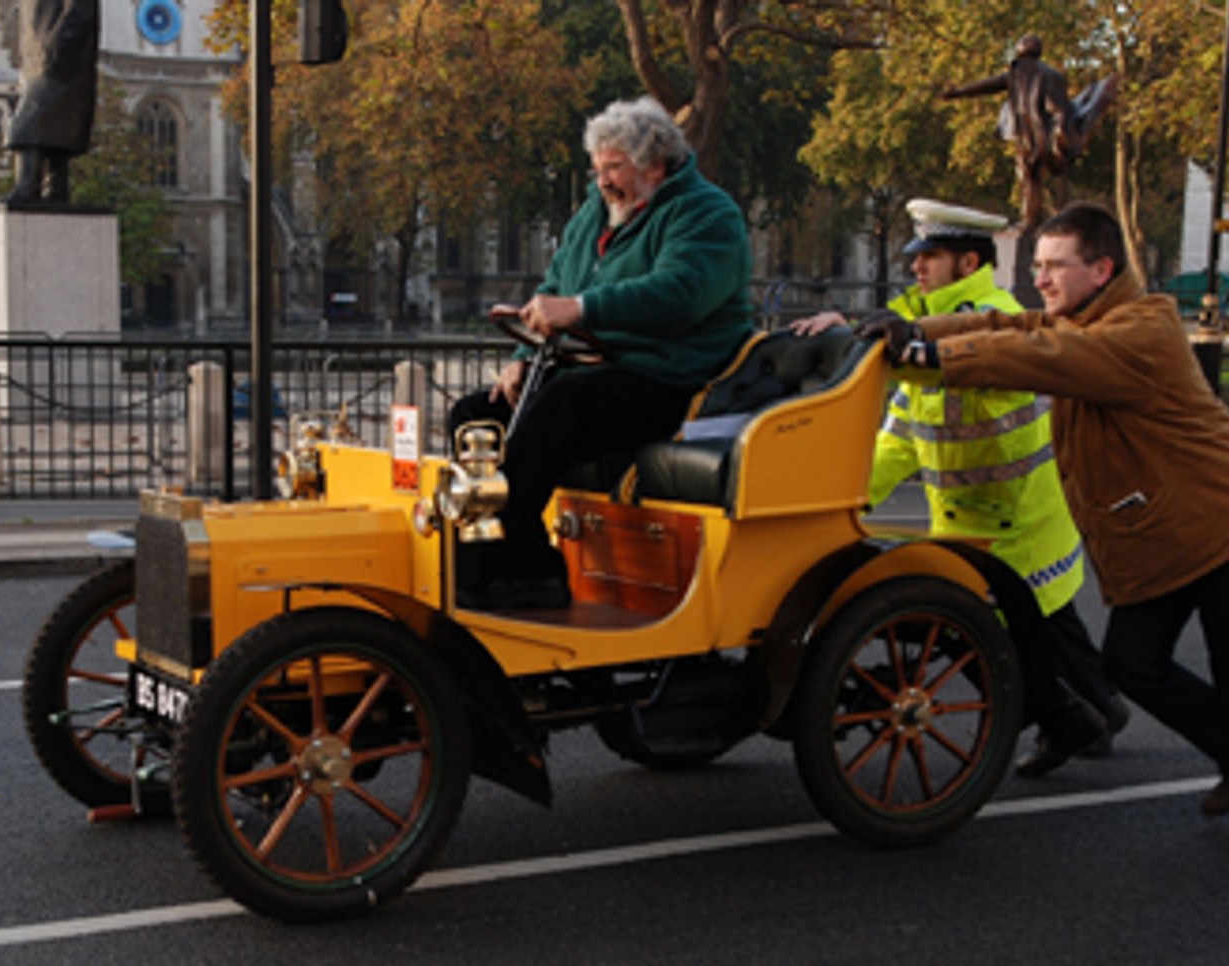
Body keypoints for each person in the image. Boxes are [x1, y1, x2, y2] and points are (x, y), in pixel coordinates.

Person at [865, 202, 1229, 841]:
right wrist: (904, 328)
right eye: (1037, 266)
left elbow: (1045, 355)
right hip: (1169, 540)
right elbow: (1007, 321)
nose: (1043, 279)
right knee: (1132, 662)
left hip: (1228, 535)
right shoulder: (1082, 318)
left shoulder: (1138, 333)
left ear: (1102, 268)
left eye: (1058, 266)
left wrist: (929, 357)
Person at [792, 198, 1127, 777]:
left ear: (969, 261)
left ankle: (1070, 718)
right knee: (1043, 627)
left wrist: (898, 346)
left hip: (1015, 514)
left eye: (932, 256)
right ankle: (1097, 709)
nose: (918, 267)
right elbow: (900, 436)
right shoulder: (922, 323)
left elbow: (955, 359)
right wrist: (842, 493)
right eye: (917, 256)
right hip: (968, 514)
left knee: (1002, 633)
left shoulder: (990, 316)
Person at [448, 96, 753, 610]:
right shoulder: (597, 211)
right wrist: (527, 354)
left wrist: (582, 309)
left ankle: (514, 573)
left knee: (561, 408)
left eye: (614, 167)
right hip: (597, 368)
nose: (603, 181)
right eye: (597, 168)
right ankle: (499, 564)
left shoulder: (707, 213)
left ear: (655, 165)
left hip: (671, 380)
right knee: (476, 414)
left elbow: (679, 294)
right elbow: (557, 284)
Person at [943, 35, 1118, 227]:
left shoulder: (1031, 74)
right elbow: (990, 85)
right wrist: (959, 92)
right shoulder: (1027, 74)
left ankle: (1029, 221)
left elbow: (1056, 108)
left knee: (1029, 177)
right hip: (1030, 134)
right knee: (1028, 178)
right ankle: (1029, 220)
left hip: (1039, 134)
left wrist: (1059, 134)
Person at [5, 0, 101, 206]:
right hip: (38, 64)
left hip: (61, 66)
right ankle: (56, 189)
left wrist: (55, 46)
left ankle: (28, 186)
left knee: (30, 127)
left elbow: (80, 12)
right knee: (54, 134)